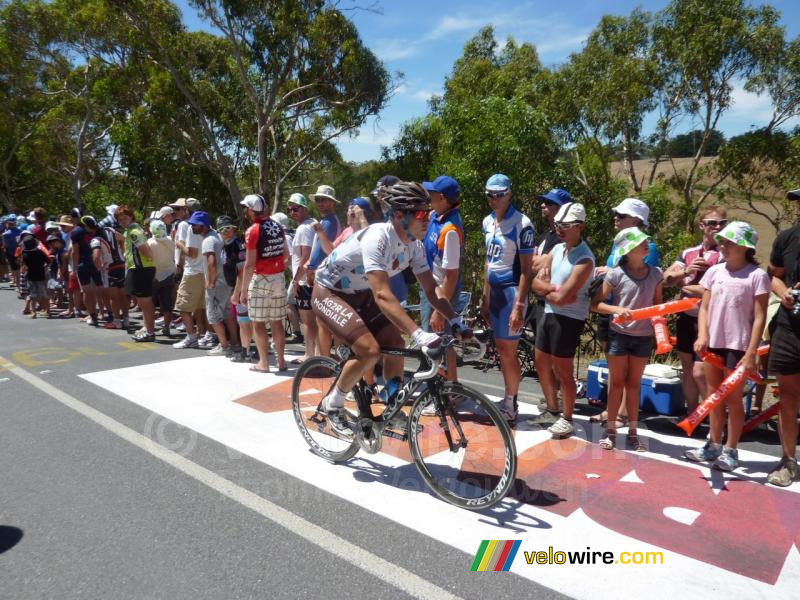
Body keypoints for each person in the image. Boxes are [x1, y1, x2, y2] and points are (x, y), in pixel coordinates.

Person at [311, 181, 467, 434]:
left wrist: (458, 322)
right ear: (397, 215)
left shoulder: (413, 245)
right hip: (329, 291)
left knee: (396, 343)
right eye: (419, 214)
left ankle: (392, 405)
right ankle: (333, 404)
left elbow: (431, 289)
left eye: (428, 213)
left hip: (360, 294)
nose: (426, 219)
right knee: (369, 351)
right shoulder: (378, 237)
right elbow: (383, 295)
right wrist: (419, 333)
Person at [685, 221, 769, 472]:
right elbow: (705, 307)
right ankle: (713, 444)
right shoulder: (715, 272)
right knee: (713, 397)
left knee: (732, 400)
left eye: (729, 243)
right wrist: (702, 335)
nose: (723, 246)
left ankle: (731, 449)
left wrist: (751, 352)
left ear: (744, 247)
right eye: (722, 242)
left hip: (739, 346)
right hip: (713, 344)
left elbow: (760, 317)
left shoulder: (757, 276)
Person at [592, 227, 663, 451]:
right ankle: (610, 430)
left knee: (634, 385)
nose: (646, 245)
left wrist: (660, 331)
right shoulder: (616, 274)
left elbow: (657, 306)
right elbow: (596, 304)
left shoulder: (656, 274)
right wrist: (616, 309)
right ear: (628, 250)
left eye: (646, 242)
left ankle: (633, 432)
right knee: (616, 385)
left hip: (643, 337)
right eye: (640, 243)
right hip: (619, 336)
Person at [529, 202, 595, 437]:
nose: (559, 229)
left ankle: (567, 417)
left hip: (568, 319)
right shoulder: (557, 250)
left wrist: (548, 289)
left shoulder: (585, 259)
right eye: (558, 224)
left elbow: (564, 297)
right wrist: (552, 289)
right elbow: (535, 283)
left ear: (580, 226)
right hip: (548, 312)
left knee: (563, 370)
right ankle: (553, 409)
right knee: (541, 362)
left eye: (565, 226)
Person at [480, 173, 534, 422]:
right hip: (495, 293)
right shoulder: (487, 222)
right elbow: (488, 260)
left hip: (511, 291)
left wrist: (519, 305)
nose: (494, 199)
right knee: (500, 349)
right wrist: (484, 296)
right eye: (490, 194)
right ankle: (507, 397)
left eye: (499, 194)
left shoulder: (522, 224)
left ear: (509, 193)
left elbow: (526, 270)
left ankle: (512, 402)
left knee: (508, 350)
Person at [663, 207, 726, 413]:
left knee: (703, 371)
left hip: (709, 321)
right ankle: (692, 415)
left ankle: (711, 416)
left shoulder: (724, 256)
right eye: (712, 223)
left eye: (722, 224)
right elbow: (666, 279)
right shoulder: (688, 253)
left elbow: (713, 290)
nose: (717, 228)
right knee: (688, 368)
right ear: (702, 225)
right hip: (685, 317)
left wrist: (684, 284)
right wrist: (686, 271)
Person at [765, 188, 800, 486]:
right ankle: (788, 461)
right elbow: (773, 274)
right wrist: (783, 293)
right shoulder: (787, 238)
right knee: (788, 397)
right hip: (790, 327)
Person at [421, 175, 465, 384]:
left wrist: (440, 310)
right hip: (431, 288)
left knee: (442, 340)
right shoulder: (435, 218)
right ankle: (443, 386)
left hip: (441, 291)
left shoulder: (450, 231)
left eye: (431, 193)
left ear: (441, 197)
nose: (428, 197)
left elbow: (452, 274)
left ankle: (450, 388)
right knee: (434, 341)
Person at [239, 194, 289, 373]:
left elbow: (250, 263)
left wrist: (243, 290)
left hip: (261, 278)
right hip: (279, 277)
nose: (245, 211)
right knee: (277, 322)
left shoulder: (253, 230)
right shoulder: (277, 226)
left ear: (251, 210)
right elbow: (286, 256)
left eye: (246, 208)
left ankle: (264, 363)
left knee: (258, 322)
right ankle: (281, 361)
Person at [190, 211, 238, 357]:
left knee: (214, 317)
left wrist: (210, 283)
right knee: (227, 314)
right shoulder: (217, 237)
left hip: (216, 284)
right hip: (226, 282)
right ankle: (235, 345)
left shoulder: (208, 241)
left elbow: (211, 262)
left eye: (195, 224)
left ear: (203, 225)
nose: (192, 227)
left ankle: (224, 346)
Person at [172, 198, 210, 349]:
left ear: (187, 210)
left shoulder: (190, 226)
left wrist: (179, 243)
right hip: (203, 271)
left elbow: (192, 253)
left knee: (183, 307)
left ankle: (191, 336)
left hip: (192, 272)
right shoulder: (206, 225)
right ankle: (203, 334)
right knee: (201, 307)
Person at [308, 185, 341, 358]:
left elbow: (326, 250)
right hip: (323, 274)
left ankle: (324, 359)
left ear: (332, 202)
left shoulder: (328, 222)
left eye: (324, 200)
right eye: (318, 200)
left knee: (323, 320)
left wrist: (312, 270)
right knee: (323, 319)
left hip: (324, 276)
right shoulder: (326, 221)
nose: (320, 203)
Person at [117, 205, 158, 343]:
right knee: (142, 300)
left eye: (125, 218)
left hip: (141, 268)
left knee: (145, 301)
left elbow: (145, 249)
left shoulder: (134, 232)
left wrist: (151, 260)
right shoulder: (129, 232)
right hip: (136, 268)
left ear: (131, 217)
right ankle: (147, 327)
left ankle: (150, 331)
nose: (123, 221)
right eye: (120, 219)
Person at [287, 193, 318, 362]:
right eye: (290, 209)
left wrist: (296, 280)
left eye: (296, 208)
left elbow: (306, 256)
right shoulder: (311, 224)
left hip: (305, 280)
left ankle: (309, 354)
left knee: (308, 321)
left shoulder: (304, 228)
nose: (292, 212)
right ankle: (316, 353)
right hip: (309, 279)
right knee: (312, 320)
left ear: (305, 208)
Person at [217, 215, 249, 362]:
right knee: (242, 320)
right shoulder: (225, 245)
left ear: (234, 229)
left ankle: (245, 352)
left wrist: (238, 292)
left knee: (245, 321)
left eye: (228, 228)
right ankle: (249, 348)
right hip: (232, 287)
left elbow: (242, 270)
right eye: (222, 229)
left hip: (242, 288)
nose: (225, 231)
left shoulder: (238, 244)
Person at [70, 215, 103, 326]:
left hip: (90, 262)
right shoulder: (78, 232)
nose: (93, 229)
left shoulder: (77, 232)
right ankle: (97, 314)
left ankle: (97, 314)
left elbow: (75, 252)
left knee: (93, 290)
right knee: (93, 290)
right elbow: (75, 252)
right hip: (90, 263)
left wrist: (74, 269)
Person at [147, 219, 177, 336]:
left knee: (150, 303)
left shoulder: (150, 242)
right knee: (166, 303)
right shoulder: (171, 241)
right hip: (169, 274)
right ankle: (166, 327)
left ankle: (149, 327)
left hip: (154, 276)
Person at [20, 232, 50, 317]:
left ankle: (33, 312)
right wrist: (45, 267)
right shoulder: (40, 252)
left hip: (30, 276)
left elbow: (24, 265)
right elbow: (48, 261)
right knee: (44, 294)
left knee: (32, 295)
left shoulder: (24, 254)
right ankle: (48, 311)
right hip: (41, 275)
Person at [2, 215, 22, 292]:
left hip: (10, 253)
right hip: (20, 252)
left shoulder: (5, 234)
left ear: (8, 223)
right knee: (20, 268)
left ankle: (18, 285)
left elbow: (5, 245)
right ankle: (22, 284)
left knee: (15, 269)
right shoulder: (20, 231)